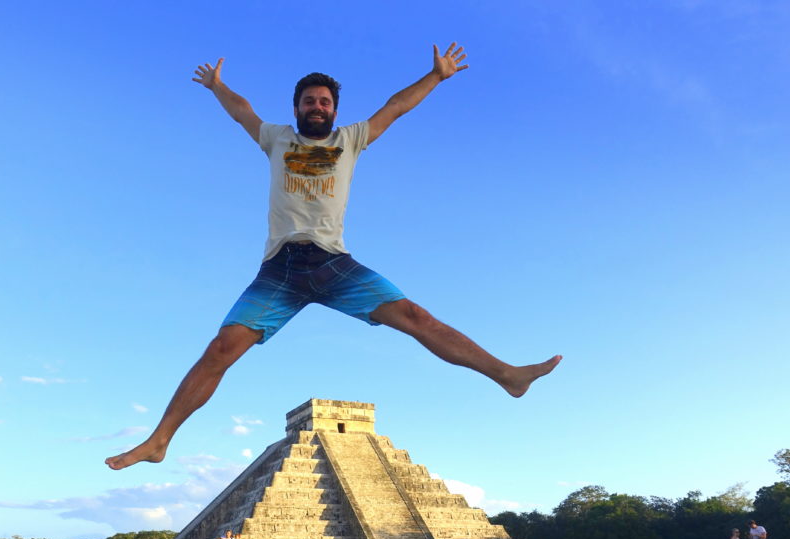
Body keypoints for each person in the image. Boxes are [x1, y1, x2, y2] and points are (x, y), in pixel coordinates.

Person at [104, 43, 561, 472]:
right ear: (297, 108)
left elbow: (395, 107)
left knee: (416, 316)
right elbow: (243, 113)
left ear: (334, 111)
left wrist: (437, 76)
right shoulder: (276, 139)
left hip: (335, 264)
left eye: (323, 101)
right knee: (220, 350)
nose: (316, 107)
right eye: (308, 101)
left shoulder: (352, 139)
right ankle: (160, 440)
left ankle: (507, 375)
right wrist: (217, 86)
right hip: (280, 270)